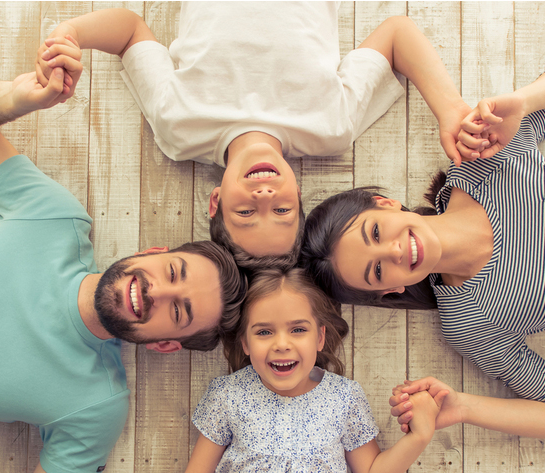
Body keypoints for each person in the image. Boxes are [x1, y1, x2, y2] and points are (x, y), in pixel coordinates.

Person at [0, 69, 245, 473]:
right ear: (155, 252)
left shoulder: (96, 404)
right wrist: (18, 97)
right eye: (173, 273)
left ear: (165, 344)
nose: (158, 290)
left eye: (178, 311)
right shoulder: (54, 220)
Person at [35, 3, 472, 272]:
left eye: (245, 211)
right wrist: (449, 108)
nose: (264, 193)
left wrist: (72, 34)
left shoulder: (178, 127)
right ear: (298, 193)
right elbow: (397, 34)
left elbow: (129, 31)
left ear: (216, 200)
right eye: (281, 209)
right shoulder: (331, 128)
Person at [300, 65, 545, 441]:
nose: (394, 251)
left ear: (386, 203)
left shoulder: (480, 161)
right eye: (376, 271)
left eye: (376, 231)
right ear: (390, 291)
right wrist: (464, 407)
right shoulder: (470, 322)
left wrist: (524, 100)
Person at [148, 269, 439, 473]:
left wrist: (418, 437)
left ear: (319, 337)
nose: (281, 344)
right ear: (244, 342)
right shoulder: (229, 396)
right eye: (264, 332)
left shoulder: (344, 398)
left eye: (298, 329)